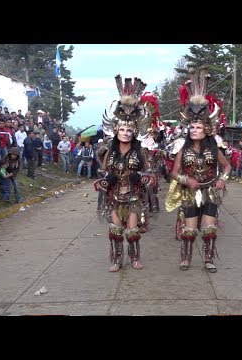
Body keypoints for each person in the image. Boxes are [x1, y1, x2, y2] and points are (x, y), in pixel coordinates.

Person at [167, 67, 231, 273]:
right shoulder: (181, 147)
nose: (194, 130)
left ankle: (209, 259)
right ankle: (185, 258)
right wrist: (186, 180)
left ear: (207, 129)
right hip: (190, 193)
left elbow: (227, 165)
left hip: (210, 191)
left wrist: (223, 179)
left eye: (199, 127)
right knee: (189, 230)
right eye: (192, 127)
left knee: (210, 230)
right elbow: (174, 173)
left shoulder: (214, 146)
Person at [96, 75, 157, 272]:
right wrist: (107, 180)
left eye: (129, 129)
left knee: (132, 232)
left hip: (133, 196)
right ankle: (116, 259)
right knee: (115, 232)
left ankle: (135, 258)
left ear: (134, 132)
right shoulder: (109, 150)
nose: (125, 132)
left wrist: (139, 177)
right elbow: (102, 174)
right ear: (115, 130)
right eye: (122, 129)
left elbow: (150, 174)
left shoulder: (140, 151)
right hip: (114, 196)